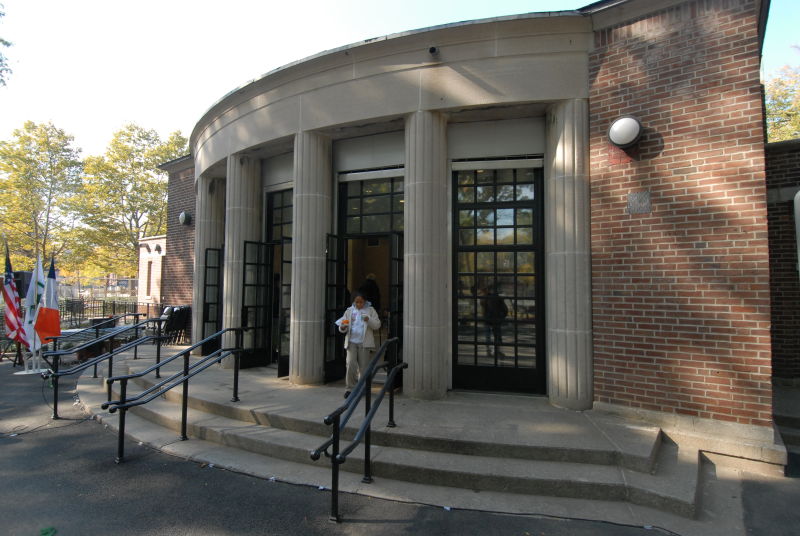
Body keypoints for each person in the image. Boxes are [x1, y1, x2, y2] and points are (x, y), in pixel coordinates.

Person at [335, 292, 381, 398]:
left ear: (365, 302)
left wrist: (368, 320)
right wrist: (342, 327)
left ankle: (363, 388)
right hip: (351, 342)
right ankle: (350, 388)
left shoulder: (370, 310)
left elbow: (377, 325)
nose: (359, 304)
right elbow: (343, 325)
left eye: (361, 302)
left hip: (364, 343)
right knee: (350, 364)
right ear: (354, 302)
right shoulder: (349, 311)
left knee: (363, 367)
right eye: (357, 302)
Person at [480, 286, 508, 357]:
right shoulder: (498, 298)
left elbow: (483, 309)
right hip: (495, 320)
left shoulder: (485, 298)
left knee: (488, 336)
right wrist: (501, 317)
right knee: (497, 336)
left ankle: (489, 351)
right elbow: (505, 310)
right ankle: (497, 351)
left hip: (488, 319)